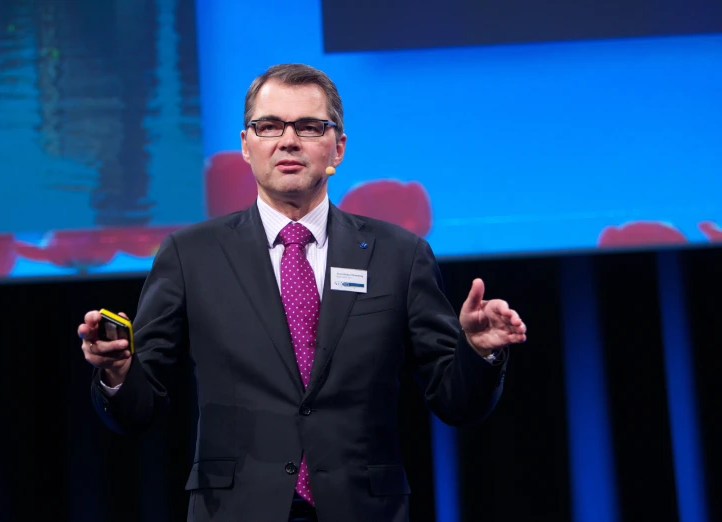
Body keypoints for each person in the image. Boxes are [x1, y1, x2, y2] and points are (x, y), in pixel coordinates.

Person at [78, 63, 527, 522]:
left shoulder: (399, 255)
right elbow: (138, 410)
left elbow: (455, 402)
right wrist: (117, 371)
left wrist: (477, 352)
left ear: (339, 147)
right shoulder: (191, 255)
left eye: (309, 127)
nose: (288, 140)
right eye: (269, 126)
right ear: (246, 146)